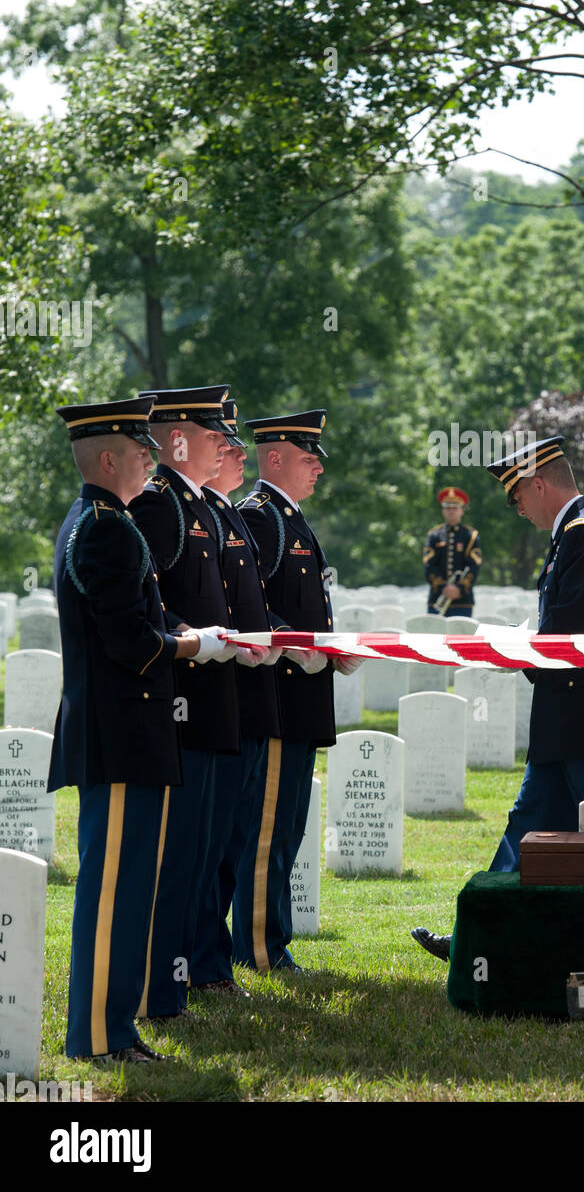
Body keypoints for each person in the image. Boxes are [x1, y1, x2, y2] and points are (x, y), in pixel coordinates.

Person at [411, 434, 584, 961]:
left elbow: (568, 637)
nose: (517, 509)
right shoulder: (576, 534)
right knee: (526, 828)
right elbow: (560, 624)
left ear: (538, 485)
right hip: (566, 720)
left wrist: (512, 645)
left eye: (517, 497)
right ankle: (478, 937)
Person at [49, 397, 224, 1062]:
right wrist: (191, 648)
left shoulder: (106, 522)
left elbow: (135, 616)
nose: (152, 456)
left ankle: (115, 1028)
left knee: (127, 892)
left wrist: (183, 632)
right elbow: (127, 641)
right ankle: (98, 1036)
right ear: (108, 458)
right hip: (122, 737)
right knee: (115, 892)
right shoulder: (104, 527)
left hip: (127, 736)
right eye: (139, 448)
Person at [234, 410, 362, 973]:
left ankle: (270, 940)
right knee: (268, 830)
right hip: (280, 698)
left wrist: (332, 647)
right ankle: (260, 949)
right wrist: (301, 647)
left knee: (287, 828)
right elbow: (249, 603)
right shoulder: (262, 518)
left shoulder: (289, 518)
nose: (318, 470)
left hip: (301, 699)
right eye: (308, 459)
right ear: (276, 458)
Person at [129, 384, 242, 1019]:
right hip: (180, 705)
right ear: (175, 437)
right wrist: (193, 640)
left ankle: (184, 974)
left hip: (211, 704)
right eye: (210, 433)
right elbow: (146, 604)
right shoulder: (159, 504)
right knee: (176, 861)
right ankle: (160, 983)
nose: (226, 445)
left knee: (201, 855)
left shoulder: (197, 507)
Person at [191, 398, 283, 988]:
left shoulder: (222, 514)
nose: (235, 452)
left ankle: (208, 962)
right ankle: (199, 964)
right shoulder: (178, 509)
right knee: (207, 849)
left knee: (224, 844)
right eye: (223, 442)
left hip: (240, 696)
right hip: (205, 703)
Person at [424, 487, 482, 615]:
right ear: (443, 510)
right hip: (437, 599)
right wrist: (443, 588)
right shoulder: (434, 535)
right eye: (448, 508)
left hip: (463, 601)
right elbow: (429, 566)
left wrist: (459, 588)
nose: (451, 511)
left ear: (462, 510)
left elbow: (474, 566)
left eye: (455, 508)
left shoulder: (471, 536)